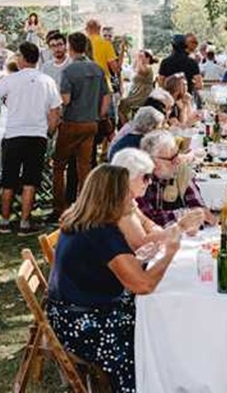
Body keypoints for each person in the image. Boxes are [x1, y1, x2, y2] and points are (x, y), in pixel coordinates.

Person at [45, 165, 181, 393]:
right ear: (112, 197)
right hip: (82, 324)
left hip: (66, 311)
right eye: (127, 192)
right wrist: (170, 253)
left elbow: (110, 265)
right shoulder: (102, 233)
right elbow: (143, 285)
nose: (134, 197)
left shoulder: (82, 219)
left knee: (158, 318)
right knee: (151, 331)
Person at [0, 42, 61, 234]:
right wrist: (49, 133)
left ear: (23, 59)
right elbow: (55, 112)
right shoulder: (47, 80)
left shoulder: (12, 79)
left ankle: (4, 219)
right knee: (31, 179)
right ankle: (24, 222)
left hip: (14, 134)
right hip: (37, 134)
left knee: (9, 178)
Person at [52, 32, 109, 217]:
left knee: (59, 165)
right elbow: (106, 98)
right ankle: (86, 206)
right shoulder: (97, 69)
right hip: (91, 123)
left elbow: (66, 100)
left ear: (70, 48)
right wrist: (98, 115)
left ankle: (59, 207)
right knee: (84, 166)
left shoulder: (68, 71)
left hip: (71, 122)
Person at [111, 148, 199, 254]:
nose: (150, 182)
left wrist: (158, 232)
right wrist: (180, 227)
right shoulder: (119, 205)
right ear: (128, 177)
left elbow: (146, 222)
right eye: (146, 177)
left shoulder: (128, 199)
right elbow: (142, 244)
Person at [136, 132, 211, 228]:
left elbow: (202, 211)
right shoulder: (138, 179)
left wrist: (197, 216)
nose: (178, 161)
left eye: (177, 154)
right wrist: (185, 215)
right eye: (172, 158)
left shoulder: (180, 171)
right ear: (153, 161)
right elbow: (148, 220)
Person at [118, 49, 155, 124]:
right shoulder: (139, 66)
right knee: (122, 104)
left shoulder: (148, 68)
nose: (139, 57)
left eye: (142, 56)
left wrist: (139, 59)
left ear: (148, 58)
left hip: (142, 95)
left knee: (123, 104)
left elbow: (141, 71)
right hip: (136, 93)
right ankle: (127, 124)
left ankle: (126, 126)